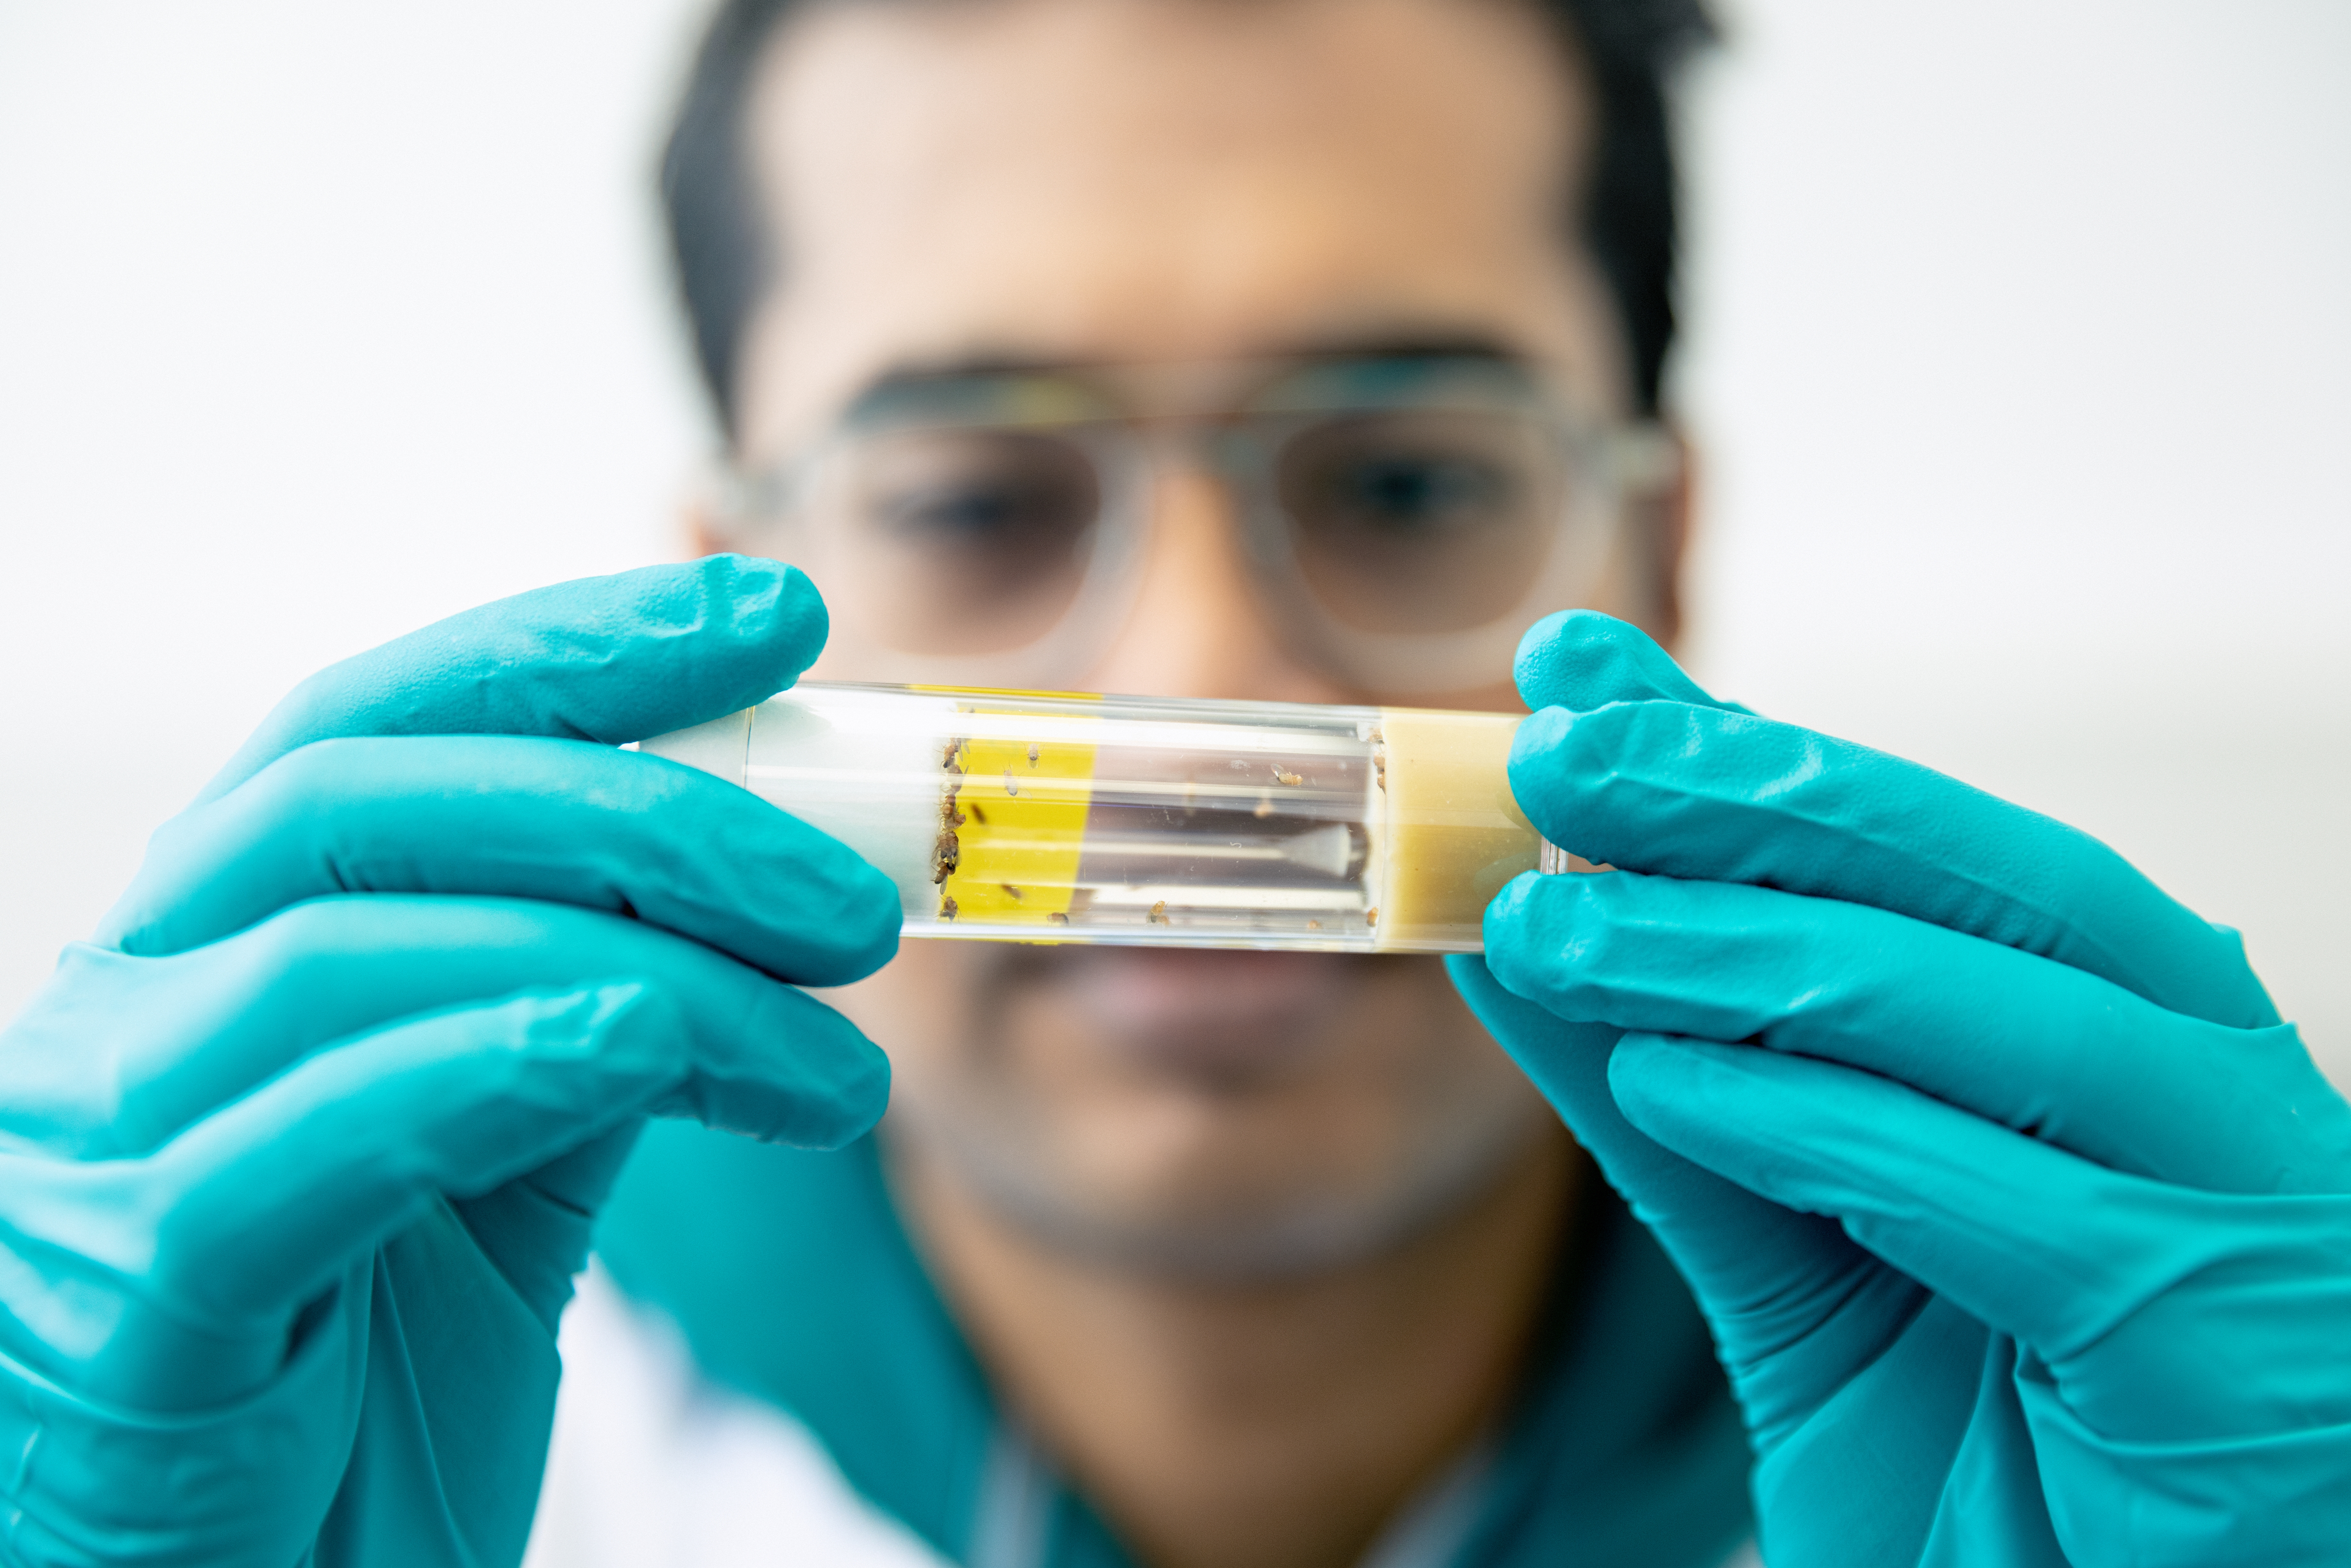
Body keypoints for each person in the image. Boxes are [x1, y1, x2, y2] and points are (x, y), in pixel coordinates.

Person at [0, 1, 2343, 1566]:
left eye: (1412, 483)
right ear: (730, 602)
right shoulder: (343, 1419)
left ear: (1665, 554)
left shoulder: (2146, 1421)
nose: (1205, 687)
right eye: (977, 498)